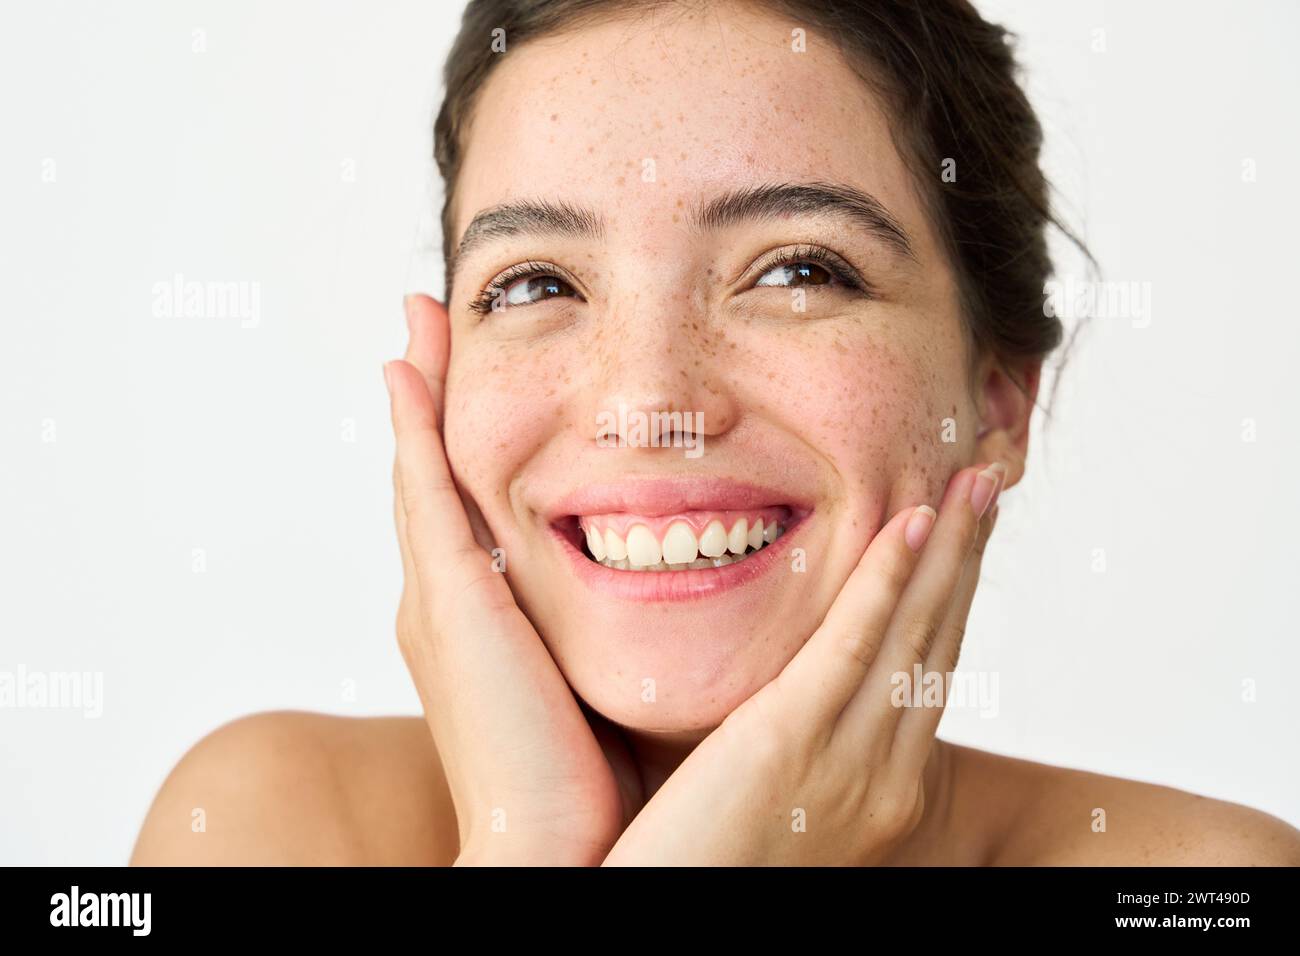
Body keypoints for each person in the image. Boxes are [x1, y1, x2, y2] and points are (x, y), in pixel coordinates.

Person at [132, 0, 1300, 865]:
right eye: (535, 283)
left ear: (996, 400)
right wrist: (522, 843)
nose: (648, 402)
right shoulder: (266, 824)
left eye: (796, 270)